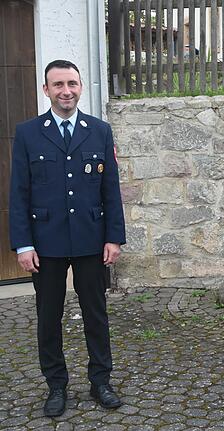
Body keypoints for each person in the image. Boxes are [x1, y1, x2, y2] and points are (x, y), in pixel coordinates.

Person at [9, 60, 126, 417]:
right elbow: (19, 192)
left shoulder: (99, 131)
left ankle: (100, 380)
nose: (66, 90)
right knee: (49, 316)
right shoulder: (28, 133)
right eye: (58, 84)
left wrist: (114, 238)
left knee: (96, 313)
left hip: (91, 239)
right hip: (46, 242)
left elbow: (110, 190)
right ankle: (56, 385)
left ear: (80, 87)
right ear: (46, 90)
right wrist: (24, 244)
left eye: (72, 83)